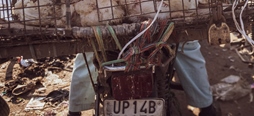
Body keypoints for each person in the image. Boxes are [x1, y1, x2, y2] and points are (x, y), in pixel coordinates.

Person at [67, 40, 220, 116]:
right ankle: (206, 107)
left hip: (109, 11)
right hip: (155, 10)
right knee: (186, 45)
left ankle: (75, 110)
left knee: (87, 49)